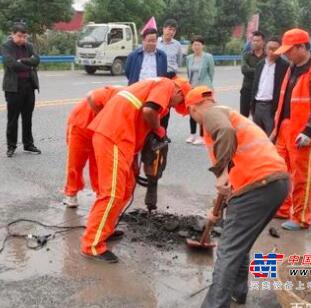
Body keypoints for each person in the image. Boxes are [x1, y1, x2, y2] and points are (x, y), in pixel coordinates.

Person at [184, 86, 289, 308]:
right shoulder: (229, 114)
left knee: (228, 251)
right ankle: (236, 293)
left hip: (257, 185)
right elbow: (230, 181)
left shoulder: (211, 114)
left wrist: (221, 172)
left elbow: (225, 133)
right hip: (275, 183)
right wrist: (217, 212)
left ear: (193, 109)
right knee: (239, 245)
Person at [80, 77, 191, 263]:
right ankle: (92, 244)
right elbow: (149, 111)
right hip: (114, 137)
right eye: (176, 103)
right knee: (113, 193)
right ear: (180, 92)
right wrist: (159, 130)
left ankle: (104, 229)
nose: (171, 106)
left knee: (125, 190)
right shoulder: (166, 85)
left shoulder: (149, 86)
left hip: (123, 141)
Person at [270, 28, 311, 231]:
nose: (286, 54)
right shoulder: (293, 66)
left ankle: (301, 218)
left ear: (302, 47)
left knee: (301, 177)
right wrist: (276, 128)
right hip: (285, 128)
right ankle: (283, 208)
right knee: (281, 172)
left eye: (289, 50)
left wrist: (308, 131)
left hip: (302, 133)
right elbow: (286, 100)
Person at [63, 85, 123, 208]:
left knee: (99, 163)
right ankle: (71, 193)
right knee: (75, 162)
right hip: (80, 124)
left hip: (100, 130)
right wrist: (101, 115)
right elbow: (91, 96)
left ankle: (100, 194)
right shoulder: (119, 93)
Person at [1, 22, 41, 157]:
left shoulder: (29, 46)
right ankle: (11, 146)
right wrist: (29, 64)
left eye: (24, 37)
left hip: (29, 86)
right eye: (19, 36)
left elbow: (36, 60)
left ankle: (28, 144)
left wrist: (22, 61)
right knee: (12, 119)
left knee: (27, 117)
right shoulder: (6, 46)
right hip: (14, 88)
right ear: (12, 35)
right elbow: (11, 64)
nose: (22, 39)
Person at [250, 36, 290, 135]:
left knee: (271, 137)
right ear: (265, 49)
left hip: (272, 107)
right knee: (257, 136)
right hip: (258, 105)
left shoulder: (285, 66)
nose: (272, 51)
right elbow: (255, 86)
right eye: (269, 48)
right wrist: (252, 107)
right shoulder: (260, 64)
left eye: (275, 49)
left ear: (280, 50)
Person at [186, 35, 215, 145]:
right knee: (192, 111)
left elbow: (211, 73)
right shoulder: (189, 58)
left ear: (203, 46)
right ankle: (192, 134)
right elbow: (189, 72)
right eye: (194, 44)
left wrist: (207, 85)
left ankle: (202, 136)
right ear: (192, 46)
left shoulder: (208, 57)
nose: (196, 46)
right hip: (192, 88)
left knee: (203, 113)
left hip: (204, 88)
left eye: (198, 44)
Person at [240, 31, 266, 117]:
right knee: (243, 117)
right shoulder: (246, 55)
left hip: (262, 91)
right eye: (253, 40)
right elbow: (244, 70)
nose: (255, 43)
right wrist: (261, 71)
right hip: (247, 89)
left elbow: (268, 72)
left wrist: (252, 70)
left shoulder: (267, 57)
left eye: (258, 40)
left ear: (263, 42)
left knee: (258, 117)